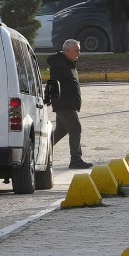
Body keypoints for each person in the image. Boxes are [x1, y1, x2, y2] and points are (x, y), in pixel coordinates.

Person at [45, 38, 85, 169]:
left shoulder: (68, 63)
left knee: (61, 131)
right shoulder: (60, 64)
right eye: (76, 50)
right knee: (75, 129)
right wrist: (48, 97)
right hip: (64, 103)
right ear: (67, 51)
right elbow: (53, 82)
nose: (79, 53)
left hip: (68, 103)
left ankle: (40, 150)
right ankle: (76, 160)